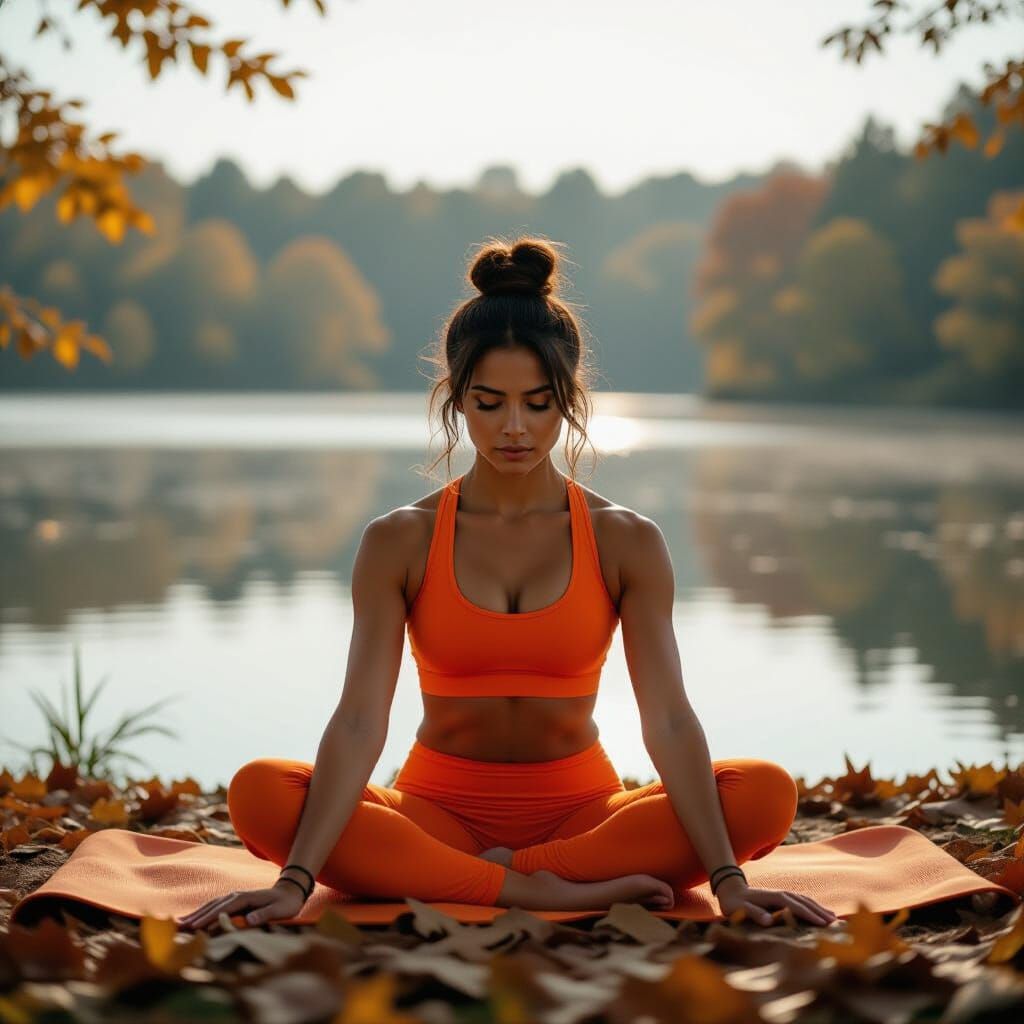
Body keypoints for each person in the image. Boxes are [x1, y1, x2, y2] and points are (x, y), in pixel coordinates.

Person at [182, 236, 838, 931]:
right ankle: (532, 889)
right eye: (490, 403)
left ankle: (487, 883)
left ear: (569, 400)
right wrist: (295, 880)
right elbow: (358, 721)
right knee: (260, 793)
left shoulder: (627, 540)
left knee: (764, 793)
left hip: (585, 816)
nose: (515, 427)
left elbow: (669, 720)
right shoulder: (398, 540)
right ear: (457, 399)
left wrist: (728, 880)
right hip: (434, 815)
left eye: (539, 402)